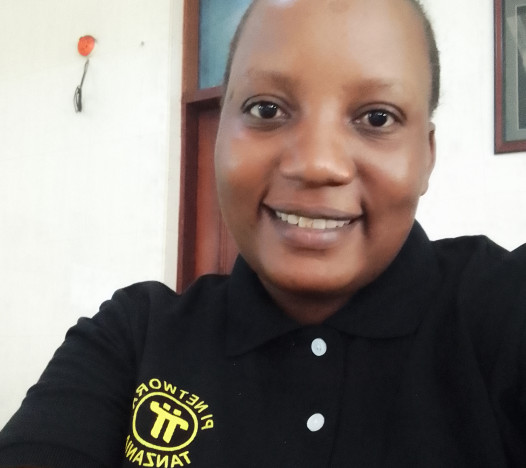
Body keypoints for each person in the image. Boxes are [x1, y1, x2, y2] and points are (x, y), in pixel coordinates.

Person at [1, 0, 525, 466]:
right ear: (219, 133)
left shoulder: (501, 313)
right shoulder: (131, 341)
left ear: (426, 156)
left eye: (377, 118)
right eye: (266, 109)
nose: (316, 164)